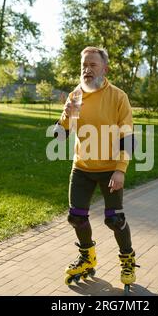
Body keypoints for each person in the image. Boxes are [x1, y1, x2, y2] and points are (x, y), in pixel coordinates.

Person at [53, 46, 138, 292]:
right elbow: (59, 136)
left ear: (104, 68)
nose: (87, 70)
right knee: (76, 217)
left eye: (92, 65)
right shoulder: (75, 96)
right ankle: (88, 259)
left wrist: (120, 169)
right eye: (84, 66)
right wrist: (66, 117)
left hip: (111, 168)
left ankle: (127, 260)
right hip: (82, 167)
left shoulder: (118, 96)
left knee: (114, 219)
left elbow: (128, 136)